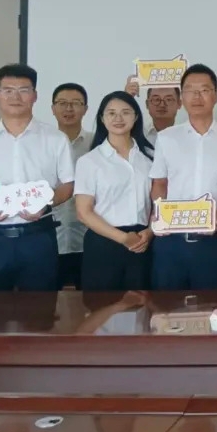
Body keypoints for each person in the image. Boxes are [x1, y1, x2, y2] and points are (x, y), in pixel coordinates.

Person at [0, 64, 75, 291]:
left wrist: (45, 203)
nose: (15, 97)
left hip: (38, 237)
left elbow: (68, 185)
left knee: (40, 308)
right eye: (8, 90)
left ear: (35, 96)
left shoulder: (55, 139)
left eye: (23, 90)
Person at [150, 64, 217, 290]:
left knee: (213, 305)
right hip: (172, 241)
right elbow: (160, 183)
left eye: (204, 90)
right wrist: (159, 213)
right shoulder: (167, 138)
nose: (197, 96)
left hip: (215, 239)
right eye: (190, 90)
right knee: (168, 305)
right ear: (181, 98)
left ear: (216, 96)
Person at [73, 91, 155, 291]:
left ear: (136, 116)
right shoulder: (89, 161)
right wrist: (123, 238)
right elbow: (83, 212)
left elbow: (159, 202)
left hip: (143, 241)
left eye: (125, 112)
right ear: (102, 118)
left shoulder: (150, 157)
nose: (118, 118)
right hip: (104, 242)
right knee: (103, 305)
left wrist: (151, 232)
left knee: (142, 305)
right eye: (111, 113)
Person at [51, 82, 93, 289]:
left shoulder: (98, 144)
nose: (69, 109)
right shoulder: (43, 144)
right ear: (53, 108)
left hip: (88, 238)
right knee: (45, 302)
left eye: (75, 103)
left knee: (90, 300)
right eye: (62, 103)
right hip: (50, 240)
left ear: (85, 109)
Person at [123, 78, 180, 145]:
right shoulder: (136, 135)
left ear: (179, 104)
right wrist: (127, 97)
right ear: (147, 104)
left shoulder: (188, 134)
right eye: (156, 99)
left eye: (168, 99)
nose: (162, 105)